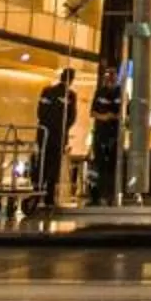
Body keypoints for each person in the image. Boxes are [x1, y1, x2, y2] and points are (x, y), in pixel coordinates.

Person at [31, 67, 78, 214]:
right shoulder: (68, 95)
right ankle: (48, 196)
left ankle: (38, 192)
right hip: (56, 134)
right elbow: (71, 118)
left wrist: (49, 125)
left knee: (43, 163)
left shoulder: (49, 92)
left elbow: (41, 112)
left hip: (46, 133)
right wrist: (61, 129)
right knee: (52, 165)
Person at [85, 69, 125, 204]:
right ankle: (95, 195)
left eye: (112, 78)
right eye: (107, 78)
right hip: (101, 133)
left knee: (112, 165)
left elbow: (125, 114)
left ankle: (111, 194)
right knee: (98, 165)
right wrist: (104, 117)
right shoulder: (100, 92)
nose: (109, 81)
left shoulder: (121, 93)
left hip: (114, 134)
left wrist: (112, 117)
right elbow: (93, 112)